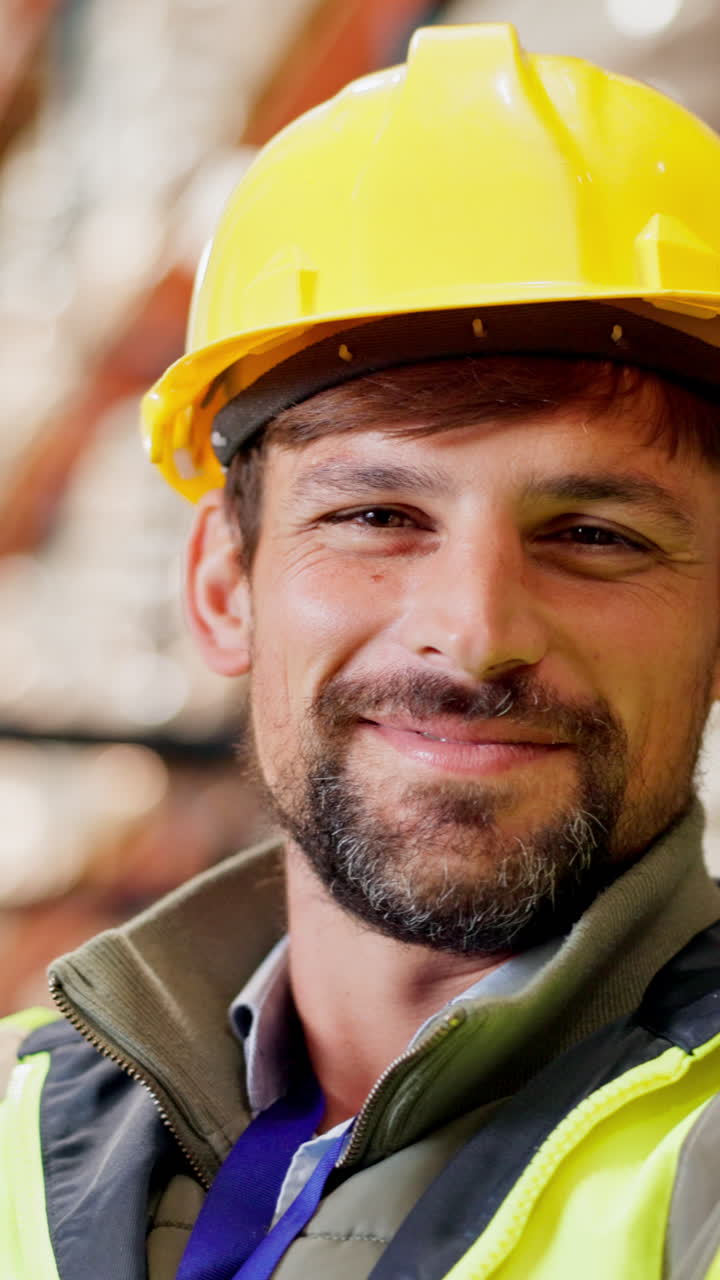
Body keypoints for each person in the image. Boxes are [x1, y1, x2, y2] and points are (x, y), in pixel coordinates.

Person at [4, 21, 720, 1280]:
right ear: (223, 587)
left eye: (595, 533)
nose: (478, 630)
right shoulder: (15, 1130)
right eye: (378, 517)